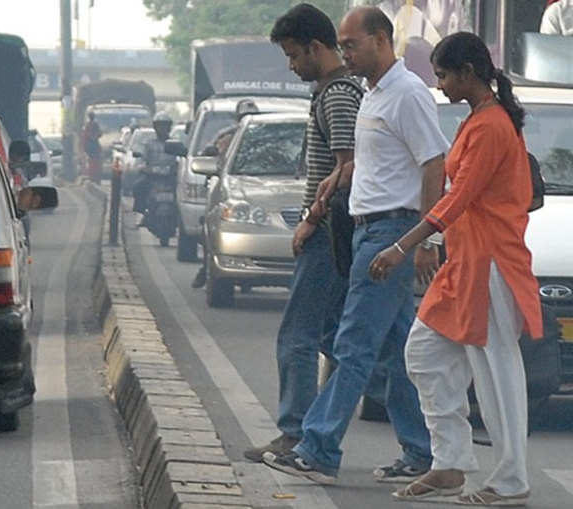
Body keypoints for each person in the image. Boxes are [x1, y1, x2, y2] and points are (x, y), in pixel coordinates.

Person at [263, 6, 447, 485]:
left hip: (391, 234)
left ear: (382, 41)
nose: (345, 53)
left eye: (352, 44)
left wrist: (427, 238)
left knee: (353, 345)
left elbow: (434, 164)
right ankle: (424, 450)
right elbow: (364, 163)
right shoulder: (371, 94)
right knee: (393, 349)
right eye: (342, 45)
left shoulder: (407, 94)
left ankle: (319, 446)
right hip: (368, 229)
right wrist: (331, 186)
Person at [368, 32, 543, 506]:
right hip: (464, 262)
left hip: (490, 262)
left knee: (497, 374)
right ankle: (450, 465)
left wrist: (401, 248)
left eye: (443, 75)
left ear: (468, 73)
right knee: (424, 356)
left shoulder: (490, 126)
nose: (439, 85)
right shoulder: (478, 119)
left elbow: (458, 197)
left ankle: (511, 480)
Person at [242, 3, 362, 464]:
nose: (292, 66)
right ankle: (322, 428)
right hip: (335, 232)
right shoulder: (338, 91)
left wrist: (312, 218)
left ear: (316, 47)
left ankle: (295, 431)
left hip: (330, 233)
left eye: (294, 55)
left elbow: (347, 167)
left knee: (298, 335)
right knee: (341, 340)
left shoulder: (337, 95)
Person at [191, 99, 259, 289]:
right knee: (209, 229)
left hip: (252, 188)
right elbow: (207, 153)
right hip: (222, 185)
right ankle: (207, 269)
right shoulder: (226, 136)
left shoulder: (262, 136)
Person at [132, 111, 176, 221]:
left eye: (165, 126)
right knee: (138, 186)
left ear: (169, 127)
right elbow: (142, 159)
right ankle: (141, 212)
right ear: (155, 127)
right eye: (160, 126)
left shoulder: (175, 143)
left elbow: (180, 158)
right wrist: (143, 168)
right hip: (152, 176)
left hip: (170, 177)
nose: (162, 129)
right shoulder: (149, 143)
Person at [82, 111, 102, 183]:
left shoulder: (90, 125)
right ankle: (94, 177)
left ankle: (94, 177)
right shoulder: (90, 125)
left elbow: (99, 134)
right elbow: (86, 135)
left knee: (93, 162)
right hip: (92, 147)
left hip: (92, 147)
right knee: (93, 162)